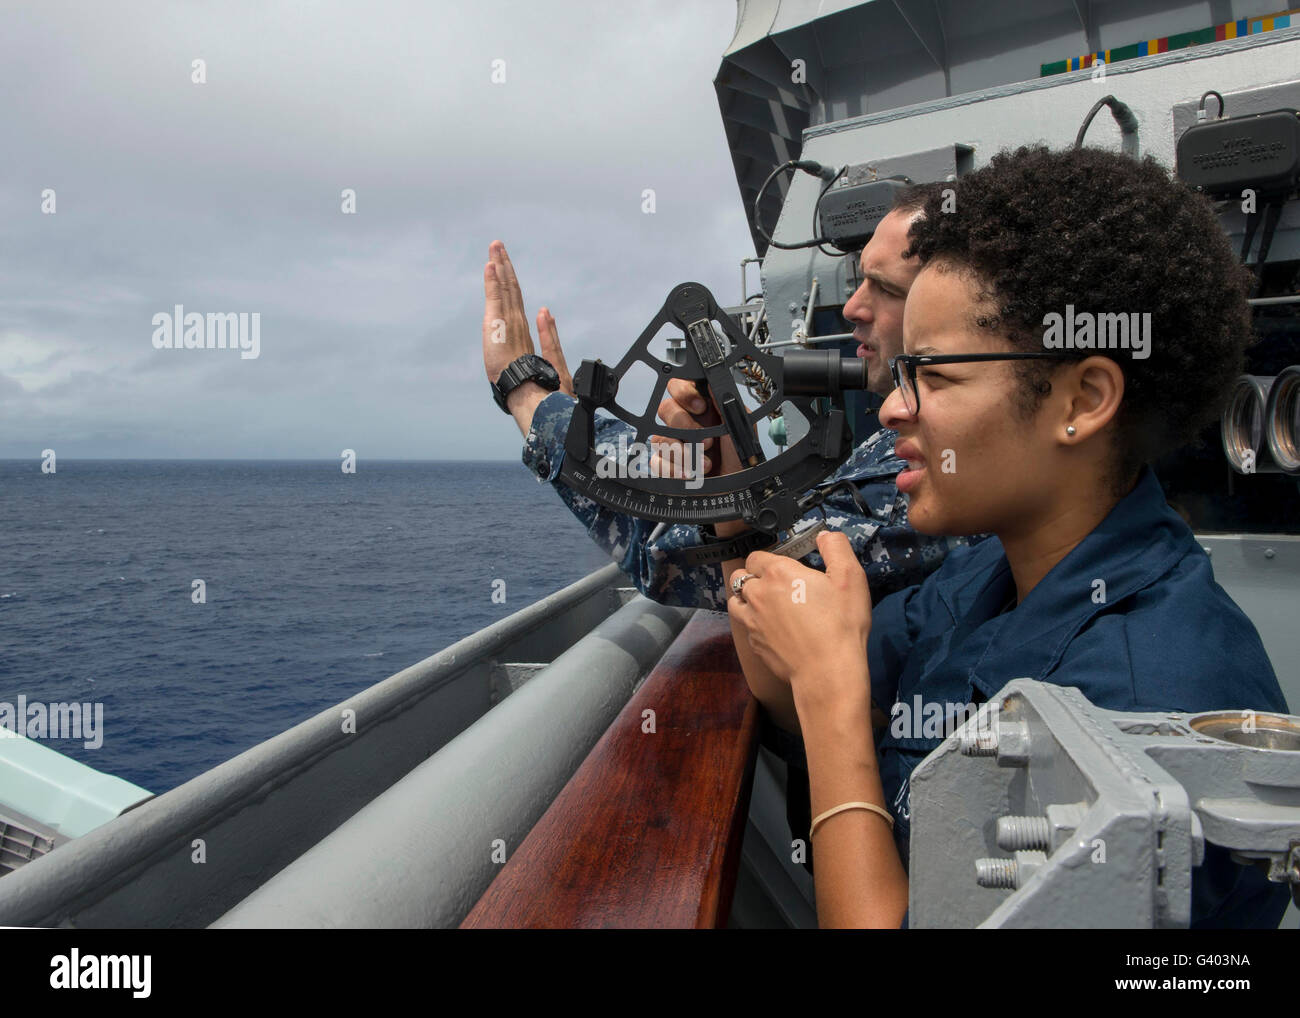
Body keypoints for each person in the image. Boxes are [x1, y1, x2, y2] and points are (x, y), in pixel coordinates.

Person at [723, 143, 1293, 929]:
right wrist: (774, 604)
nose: (892, 410)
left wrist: (830, 696)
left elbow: (816, 693)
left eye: (937, 376)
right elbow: (780, 678)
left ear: (1082, 399)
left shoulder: (1148, 702)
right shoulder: (990, 574)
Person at [481, 185, 976, 617]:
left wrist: (531, 399)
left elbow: (684, 558)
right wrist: (727, 470)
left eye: (885, 288)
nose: (851, 307)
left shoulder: (942, 485)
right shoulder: (903, 441)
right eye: (859, 277)